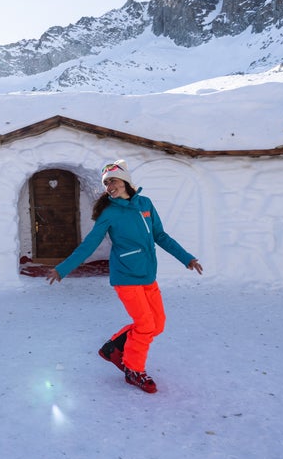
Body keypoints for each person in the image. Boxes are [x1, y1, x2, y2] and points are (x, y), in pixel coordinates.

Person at [46, 160, 203, 394]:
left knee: (157, 324)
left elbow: (160, 235)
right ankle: (133, 369)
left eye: (113, 181)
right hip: (125, 277)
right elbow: (89, 244)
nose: (110, 186)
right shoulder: (109, 213)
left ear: (126, 181)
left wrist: (186, 258)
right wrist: (63, 268)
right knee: (145, 325)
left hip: (148, 275)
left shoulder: (145, 204)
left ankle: (113, 347)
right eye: (106, 183)